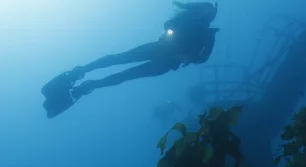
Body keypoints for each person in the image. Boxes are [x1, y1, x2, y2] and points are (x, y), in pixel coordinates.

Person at [41, 2, 219, 118]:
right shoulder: (188, 18)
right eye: (207, 9)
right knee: (119, 60)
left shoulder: (209, 35)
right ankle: (81, 72)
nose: (208, 13)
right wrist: (179, 28)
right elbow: (168, 25)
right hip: (159, 49)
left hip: (165, 62)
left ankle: (89, 85)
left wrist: (187, 57)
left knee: (125, 74)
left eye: (210, 12)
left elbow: (203, 58)